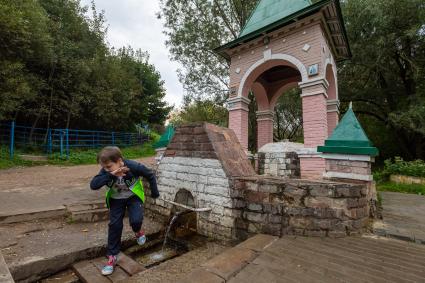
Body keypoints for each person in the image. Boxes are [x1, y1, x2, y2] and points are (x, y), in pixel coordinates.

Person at [90, 146, 159, 275]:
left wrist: (155, 193)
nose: (106, 169)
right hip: (116, 200)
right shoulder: (106, 171)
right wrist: (110, 175)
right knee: (115, 225)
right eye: (104, 167)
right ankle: (112, 256)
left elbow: (150, 175)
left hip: (133, 197)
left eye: (109, 166)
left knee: (136, 220)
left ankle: (138, 231)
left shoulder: (134, 166)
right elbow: (93, 185)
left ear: (120, 161)